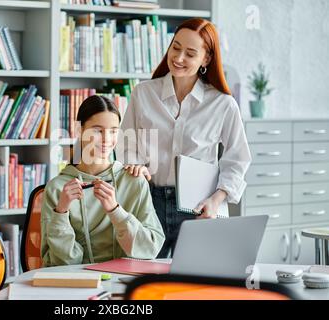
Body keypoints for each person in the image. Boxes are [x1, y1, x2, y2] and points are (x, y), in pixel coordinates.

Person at [116, 18, 252, 258]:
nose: (178, 58)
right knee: (142, 282)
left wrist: (217, 199)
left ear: (206, 59)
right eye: (175, 47)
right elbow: (127, 143)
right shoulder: (143, 93)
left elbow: (238, 159)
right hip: (148, 201)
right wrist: (135, 165)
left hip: (198, 207)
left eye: (190, 53)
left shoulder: (222, 104)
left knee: (193, 286)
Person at [41, 95, 165, 266]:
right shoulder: (57, 189)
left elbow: (150, 249)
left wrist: (115, 211)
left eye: (113, 131)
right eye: (98, 130)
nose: (107, 139)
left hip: (123, 282)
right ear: (79, 130)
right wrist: (61, 212)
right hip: (77, 284)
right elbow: (63, 263)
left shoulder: (134, 181)